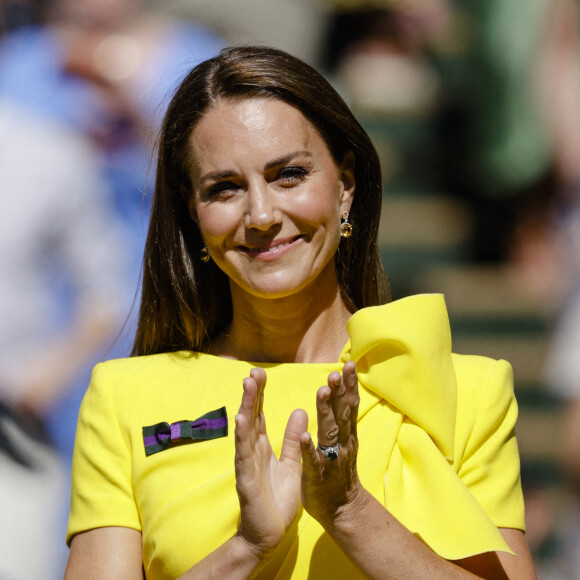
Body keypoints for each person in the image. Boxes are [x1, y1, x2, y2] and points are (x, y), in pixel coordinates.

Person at [64, 46, 536, 579]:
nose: (262, 215)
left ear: (345, 187)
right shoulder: (125, 398)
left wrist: (350, 510)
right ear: (193, 212)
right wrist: (245, 548)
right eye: (225, 188)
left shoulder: (465, 391)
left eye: (288, 175)